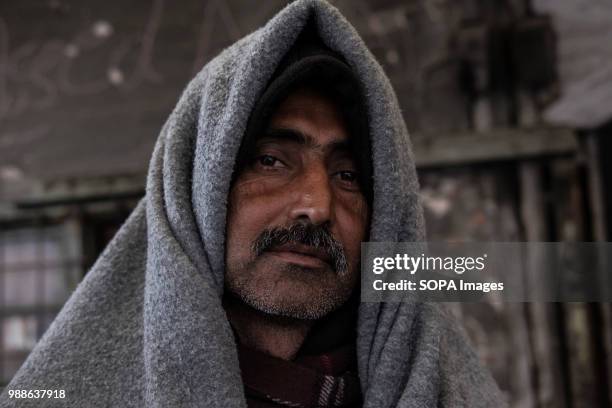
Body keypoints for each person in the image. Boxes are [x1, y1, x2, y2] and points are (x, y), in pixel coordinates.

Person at [1, 1, 505, 407]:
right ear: (198, 189)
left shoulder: (445, 387)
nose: (316, 205)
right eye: (271, 161)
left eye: (348, 175)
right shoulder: (64, 391)